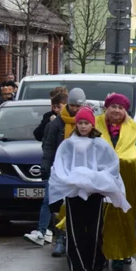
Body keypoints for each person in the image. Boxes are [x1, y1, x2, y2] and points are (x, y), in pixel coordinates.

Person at [48, 107, 130, 271]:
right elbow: (59, 168)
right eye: (80, 123)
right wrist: (63, 188)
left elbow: (112, 166)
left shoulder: (100, 145)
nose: (83, 127)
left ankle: (93, 268)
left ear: (92, 124)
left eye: (86, 123)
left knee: (93, 234)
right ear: (76, 124)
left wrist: (96, 180)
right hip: (74, 195)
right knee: (75, 235)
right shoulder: (67, 145)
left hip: (94, 195)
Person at [96, 93, 136, 271]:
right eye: (113, 107)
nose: (116, 111)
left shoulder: (135, 130)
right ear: (106, 108)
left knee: (123, 221)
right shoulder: (95, 125)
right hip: (100, 185)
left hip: (127, 185)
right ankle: (100, 258)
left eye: (120, 108)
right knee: (102, 222)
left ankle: (120, 259)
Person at [40, 88, 85, 256]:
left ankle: (78, 239)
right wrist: (45, 166)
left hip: (82, 171)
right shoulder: (57, 123)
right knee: (59, 206)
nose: (75, 109)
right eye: (72, 105)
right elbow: (49, 146)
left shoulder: (88, 121)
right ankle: (60, 238)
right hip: (61, 170)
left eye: (78, 106)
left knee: (80, 206)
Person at [24, 88, 70, 247]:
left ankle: (54, 232)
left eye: (59, 107)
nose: (56, 110)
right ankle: (44, 231)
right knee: (49, 199)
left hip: (67, 166)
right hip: (53, 165)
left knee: (60, 201)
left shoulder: (72, 120)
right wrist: (47, 123)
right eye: (54, 107)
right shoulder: (50, 119)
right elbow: (41, 138)